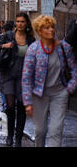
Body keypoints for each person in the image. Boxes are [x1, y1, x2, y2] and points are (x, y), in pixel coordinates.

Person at [22, 15, 76, 147]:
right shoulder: (33, 49)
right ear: (39, 31)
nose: (51, 30)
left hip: (59, 94)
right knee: (40, 131)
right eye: (47, 28)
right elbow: (26, 77)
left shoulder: (64, 48)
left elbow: (74, 70)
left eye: (52, 27)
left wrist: (69, 89)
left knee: (56, 130)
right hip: (39, 95)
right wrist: (28, 102)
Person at [0, 13, 35, 147]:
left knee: (22, 107)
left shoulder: (31, 40)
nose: (20, 24)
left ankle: (18, 138)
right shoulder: (8, 36)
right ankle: (10, 136)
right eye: (17, 21)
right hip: (9, 74)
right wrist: (4, 46)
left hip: (24, 77)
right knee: (10, 106)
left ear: (26, 23)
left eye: (22, 21)